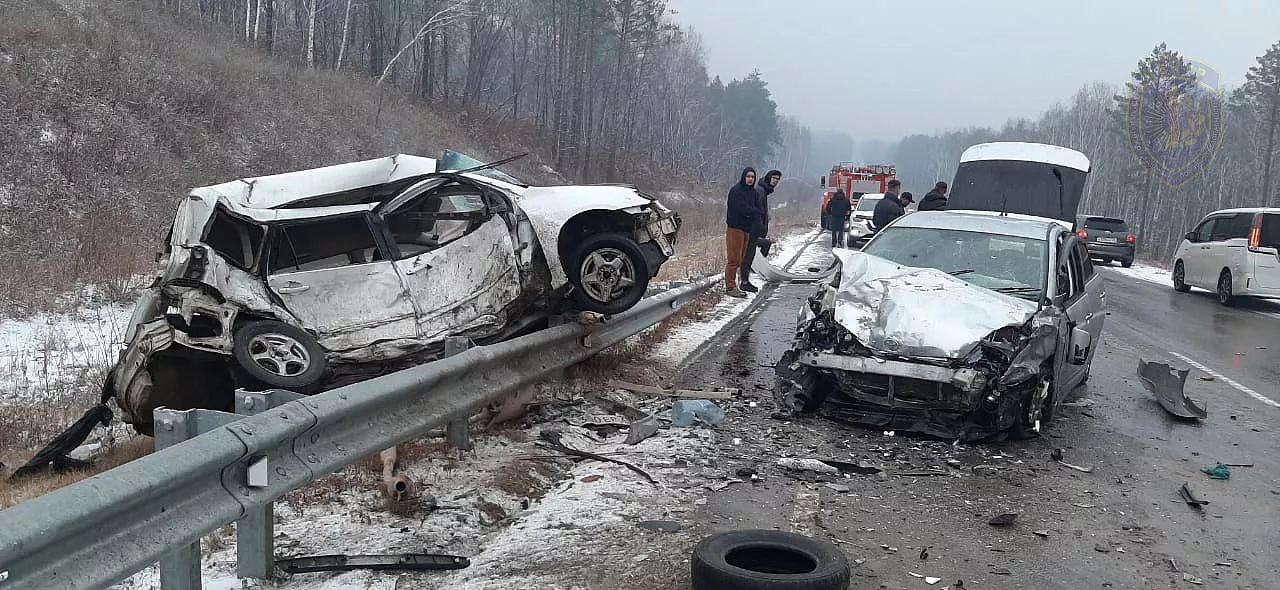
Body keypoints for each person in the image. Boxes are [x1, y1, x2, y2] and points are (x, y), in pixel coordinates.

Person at [741, 169, 781, 292]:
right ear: (768, 178)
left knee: (752, 252)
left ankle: (747, 277)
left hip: (756, 228)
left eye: (778, 179)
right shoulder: (760, 190)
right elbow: (756, 210)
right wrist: (759, 225)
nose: (775, 181)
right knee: (749, 254)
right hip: (753, 229)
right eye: (774, 178)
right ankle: (745, 281)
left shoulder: (764, 190)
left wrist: (765, 217)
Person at [724, 167, 761, 298]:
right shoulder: (736, 191)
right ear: (744, 177)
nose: (750, 179)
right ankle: (730, 287)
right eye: (748, 176)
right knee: (733, 259)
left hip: (747, 229)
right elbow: (740, 209)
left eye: (752, 177)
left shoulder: (754, 193)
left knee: (741, 259)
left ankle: (738, 283)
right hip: (735, 228)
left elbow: (758, 210)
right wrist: (752, 213)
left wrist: (753, 215)